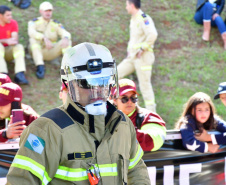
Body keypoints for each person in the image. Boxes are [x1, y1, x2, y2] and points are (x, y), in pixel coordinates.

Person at [6, 42, 150, 185]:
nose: (98, 90)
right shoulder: (46, 130)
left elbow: (137, 173)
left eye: (103, 81)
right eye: (87, 83)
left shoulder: (122, 124)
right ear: (69, 83)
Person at [117, 0, 158, 112]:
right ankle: (120, 105)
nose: (126, 7)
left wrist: (143, 48)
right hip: (132, 58)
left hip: (143, 57)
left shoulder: (143, 18)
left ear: (132, 5)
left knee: (145, 86)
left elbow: (153, 34)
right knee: (115, 75)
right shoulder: (134, 18)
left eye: (127, 5)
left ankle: (152, 115)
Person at [111, 78, 166, 151]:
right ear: (114, 100)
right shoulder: (104, 118)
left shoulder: (148, 117)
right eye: (124, 98)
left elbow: (153, 142)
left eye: (133, 98)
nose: (130, 102)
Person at [28, 1, 72, 79]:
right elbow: (31, 32)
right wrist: (43, 38)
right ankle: (40, 67)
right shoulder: (34, 22)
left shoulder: (55, 24)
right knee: (33, 40)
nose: (48, 13)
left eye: (50, 11)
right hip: (37, 51)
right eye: (46, 11)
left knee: (67, 41)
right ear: (41, 11)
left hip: (50, 50)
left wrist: (65, 38)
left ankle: (68, 67)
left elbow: (65, 33)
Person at [0, 5, 29, 85]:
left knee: (19, 47)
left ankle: (19, 74)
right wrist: (6, 40)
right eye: (8, 15)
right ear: (0, 16)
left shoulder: (13, 23)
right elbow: (8, 41)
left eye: (11, 15)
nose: (10, 17)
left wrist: (12, 41)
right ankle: (3, 75)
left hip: (8, 51)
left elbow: (14, 39)